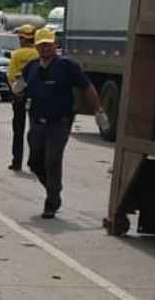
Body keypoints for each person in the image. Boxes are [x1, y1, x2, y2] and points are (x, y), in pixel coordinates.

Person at [20, 28, 109, 218]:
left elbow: (87, 88)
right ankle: (53, 187)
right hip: (37, 121)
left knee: (52, 160)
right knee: (35, 162)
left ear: (55, 45)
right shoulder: (32, 67)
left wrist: (98, 112)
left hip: (59, 122)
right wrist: (16, 87)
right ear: (35, 46)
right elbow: (20, 85)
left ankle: (52, 201)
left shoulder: (67, 66)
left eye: (48, 44)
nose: (45, 48)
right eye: (41, 45)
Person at [6, 24, 39, 171]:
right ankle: (34, 162)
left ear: (23, 39)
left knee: (18, 130)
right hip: (36, 97)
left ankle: (16, 162)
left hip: (19, 95)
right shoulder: (38, 54)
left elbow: (11, 75)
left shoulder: (17, 55)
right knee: (35, 131)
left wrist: (16, 91)